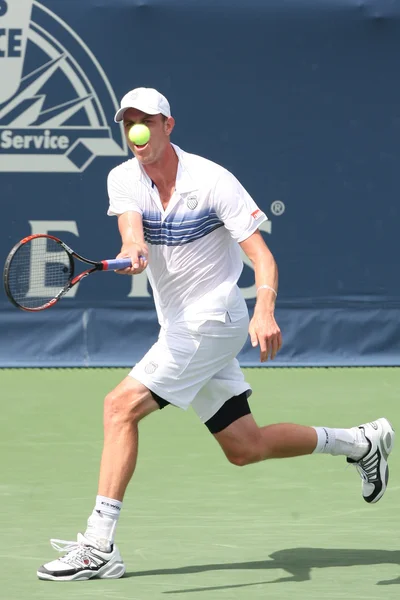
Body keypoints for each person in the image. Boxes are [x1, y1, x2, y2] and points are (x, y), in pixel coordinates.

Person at [37, 88, 395, 581]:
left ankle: (99, 546)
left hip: (213, 320)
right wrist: (134, 251)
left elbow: (263, 257)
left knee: (119, 408)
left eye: (146, 121)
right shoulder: (123, 177)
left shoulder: (212, 181)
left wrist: (264, 308)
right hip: (180, 324)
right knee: (244, 447)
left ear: (168, 125)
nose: (136, 131)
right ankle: (361, 442)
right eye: (128, 123)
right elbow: (131, 234)